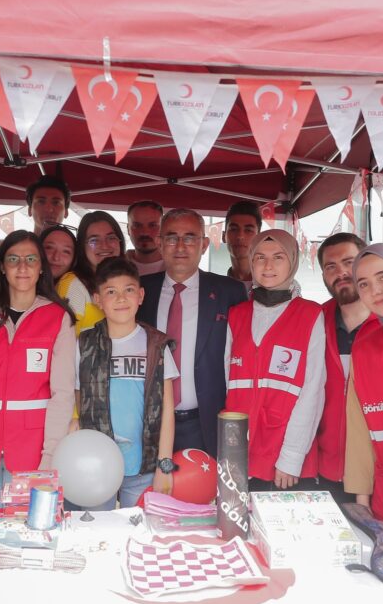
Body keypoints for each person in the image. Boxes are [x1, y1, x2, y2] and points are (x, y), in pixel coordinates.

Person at [0, 230, 76, 524]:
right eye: (13, 259)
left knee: (28, 538)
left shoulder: (57, 316)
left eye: (30, 259)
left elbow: (62, 394)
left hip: (33, 451)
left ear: (41, 267)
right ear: (2, 266)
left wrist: (49, 458)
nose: (22, 267)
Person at [138, 208, 248, 455]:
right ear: (159, 242)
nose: (180, 246)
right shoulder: (140, 291)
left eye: (189, 237)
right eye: (171, 237)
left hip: (206, 423)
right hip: (148, 423)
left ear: (204, 244)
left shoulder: (229, 292)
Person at [224, 229, 326, 491]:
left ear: (292, 261)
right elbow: (227, 384)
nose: (268, 266)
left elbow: (313, 390)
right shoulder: (236, 314)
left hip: (284, 454)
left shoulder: (311, 315)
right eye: (259, 258)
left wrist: (291, 457)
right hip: (240, 450)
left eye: (278, 257)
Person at [76, 257, 176, 508]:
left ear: (141, 296)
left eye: (128, 290)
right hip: (96, 464)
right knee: (96, 532)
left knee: (138, 531)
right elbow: (76, 401)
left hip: (143, 465)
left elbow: (167, 411)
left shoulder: (156, 345)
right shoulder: (84, 344)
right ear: (97, 299)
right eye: (111, 291)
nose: (121, 298)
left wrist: (164, 464)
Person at [343, 243, 383, 520]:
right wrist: (361, 497)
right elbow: (358, 424)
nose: (376, 291)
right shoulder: (366, 341)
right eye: (364, 284)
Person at [315, 232, 368, 501]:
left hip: (376, 475)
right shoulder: (313, 321)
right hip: (321, 470)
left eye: (349, 262)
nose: (342, 272)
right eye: (331, 267)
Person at [43, 224, 104, 335]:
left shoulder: (76, 285)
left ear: (74, 259)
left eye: (66, 251)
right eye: (49, 248)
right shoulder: (72, 284)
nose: (56, 257)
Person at [223, 200, 262, 291]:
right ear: (223, 236)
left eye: (248, 230)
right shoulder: (216, 288)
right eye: (233, 229)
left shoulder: (279, 287)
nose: (240, 236)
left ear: (259, 238)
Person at [126, 200, 166, 275]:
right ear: (128, 229)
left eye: (153, 225)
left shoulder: (179, 269)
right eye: (137, 225)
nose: (145, 232)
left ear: (163, 228)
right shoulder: (115, 268)